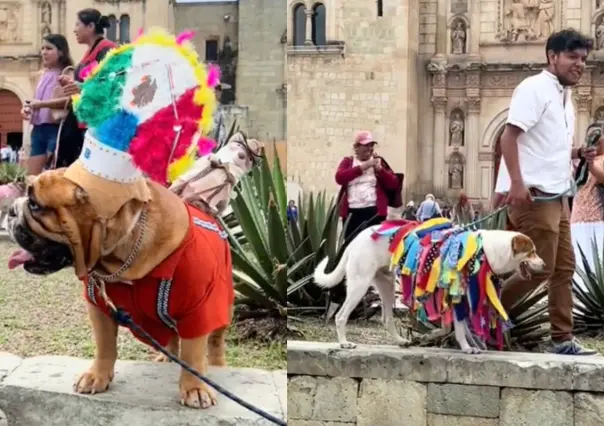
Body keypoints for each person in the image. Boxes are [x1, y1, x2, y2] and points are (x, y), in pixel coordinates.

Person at [494, 29, 597, 355]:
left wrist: (579, 153)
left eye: (583, 59)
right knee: (539, 270)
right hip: (536, 198)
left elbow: (547, 149)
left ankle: (561, 339)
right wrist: (516, 184)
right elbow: (507, 139)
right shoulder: (534, 89)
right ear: (552, 57)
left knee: (564, 269)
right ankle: (483, 313)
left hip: (559, 197)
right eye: (572, 57)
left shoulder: (563, 96)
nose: (579, 64)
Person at [55, 8, 116, 168]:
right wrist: (71, 83)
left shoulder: (106, 49)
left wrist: (81, 87)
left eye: (77, 25)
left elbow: (111, 84)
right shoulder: (89, 51)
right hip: (83, 119)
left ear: (90, 26)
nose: (74, 29)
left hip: (97, 122)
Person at [22, 34, 73, 175]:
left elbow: (70, 101)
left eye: (49, 48)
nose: (44, 52)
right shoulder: (41, 75)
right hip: (38, 130)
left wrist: (41, 104)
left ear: (61, 52)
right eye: (43, 48)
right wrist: (27, 109)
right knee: (32, 177)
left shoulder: (67, 73)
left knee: (52, 174)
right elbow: (34, 101)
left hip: (56, 130)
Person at [335, 131, 399, 241]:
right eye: (366, 145)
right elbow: (340, 178)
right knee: (350, 242)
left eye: (371, 145)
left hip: (373, 211)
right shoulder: (348, 162)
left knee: (372, 243)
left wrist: (380, 170)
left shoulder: (378, 161)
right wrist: (364, 167)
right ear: (356, 147)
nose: (369, 148)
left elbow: (394, 183)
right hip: (352, 212)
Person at [571, 122, 604, 287]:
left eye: (599, 138)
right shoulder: (581, 163)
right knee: (579, 259)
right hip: (577, 218)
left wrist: (591, 164)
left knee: (596, 259)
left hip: (596, 218)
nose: (597, 141)